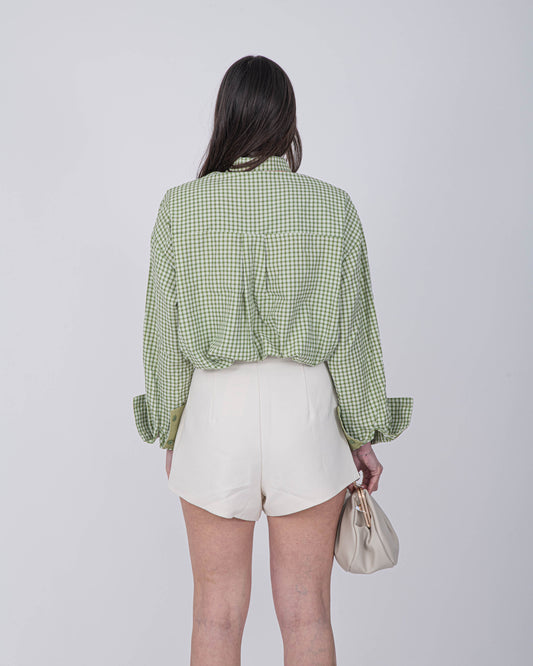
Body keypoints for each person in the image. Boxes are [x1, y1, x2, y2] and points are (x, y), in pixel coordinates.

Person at [132, 54, 413, 666]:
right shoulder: (333, 207)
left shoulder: (181, 208)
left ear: (224, 117)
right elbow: (355, 335)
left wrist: (171, 428)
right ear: (288, 120)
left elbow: (162, 337)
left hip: (214, 415)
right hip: (306, 415)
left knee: (214, 615)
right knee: (308, 614)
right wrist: (362, 436)